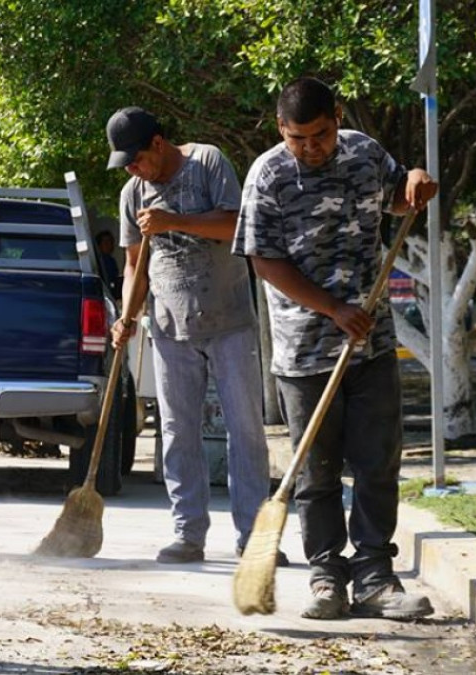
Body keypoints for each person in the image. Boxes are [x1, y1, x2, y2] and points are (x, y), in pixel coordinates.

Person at [233, 77, 438, 621]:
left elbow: (398, 197)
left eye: (320, 135)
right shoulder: (268, 176)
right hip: (304, 350)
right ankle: (326, 576)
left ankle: (375, 577)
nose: (310, 148)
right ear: (281, 129)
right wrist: (332, 308)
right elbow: (263, 260)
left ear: (338, 118)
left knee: (377, 463)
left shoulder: (366, 153)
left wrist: (415, 181)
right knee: (316, 473)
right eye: (297, 138)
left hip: (372, 343)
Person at [104, 106, 277, 567]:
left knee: (246, 430)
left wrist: (173, 221)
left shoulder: (207, 162)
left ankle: (253, 538)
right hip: (169, 329)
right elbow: (134, 264)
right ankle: (187, 534)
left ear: (158, 144)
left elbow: (236, 226)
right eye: (127, 165)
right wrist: (127, 315)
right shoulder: (132, 193)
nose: (135, 170)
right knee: (178, 432)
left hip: (229, 322)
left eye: (138, 160)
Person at [94, 230, 122, 298]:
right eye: (105, 242)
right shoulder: (97, 261)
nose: (109, 245)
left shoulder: (111, 260)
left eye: (110, 242)